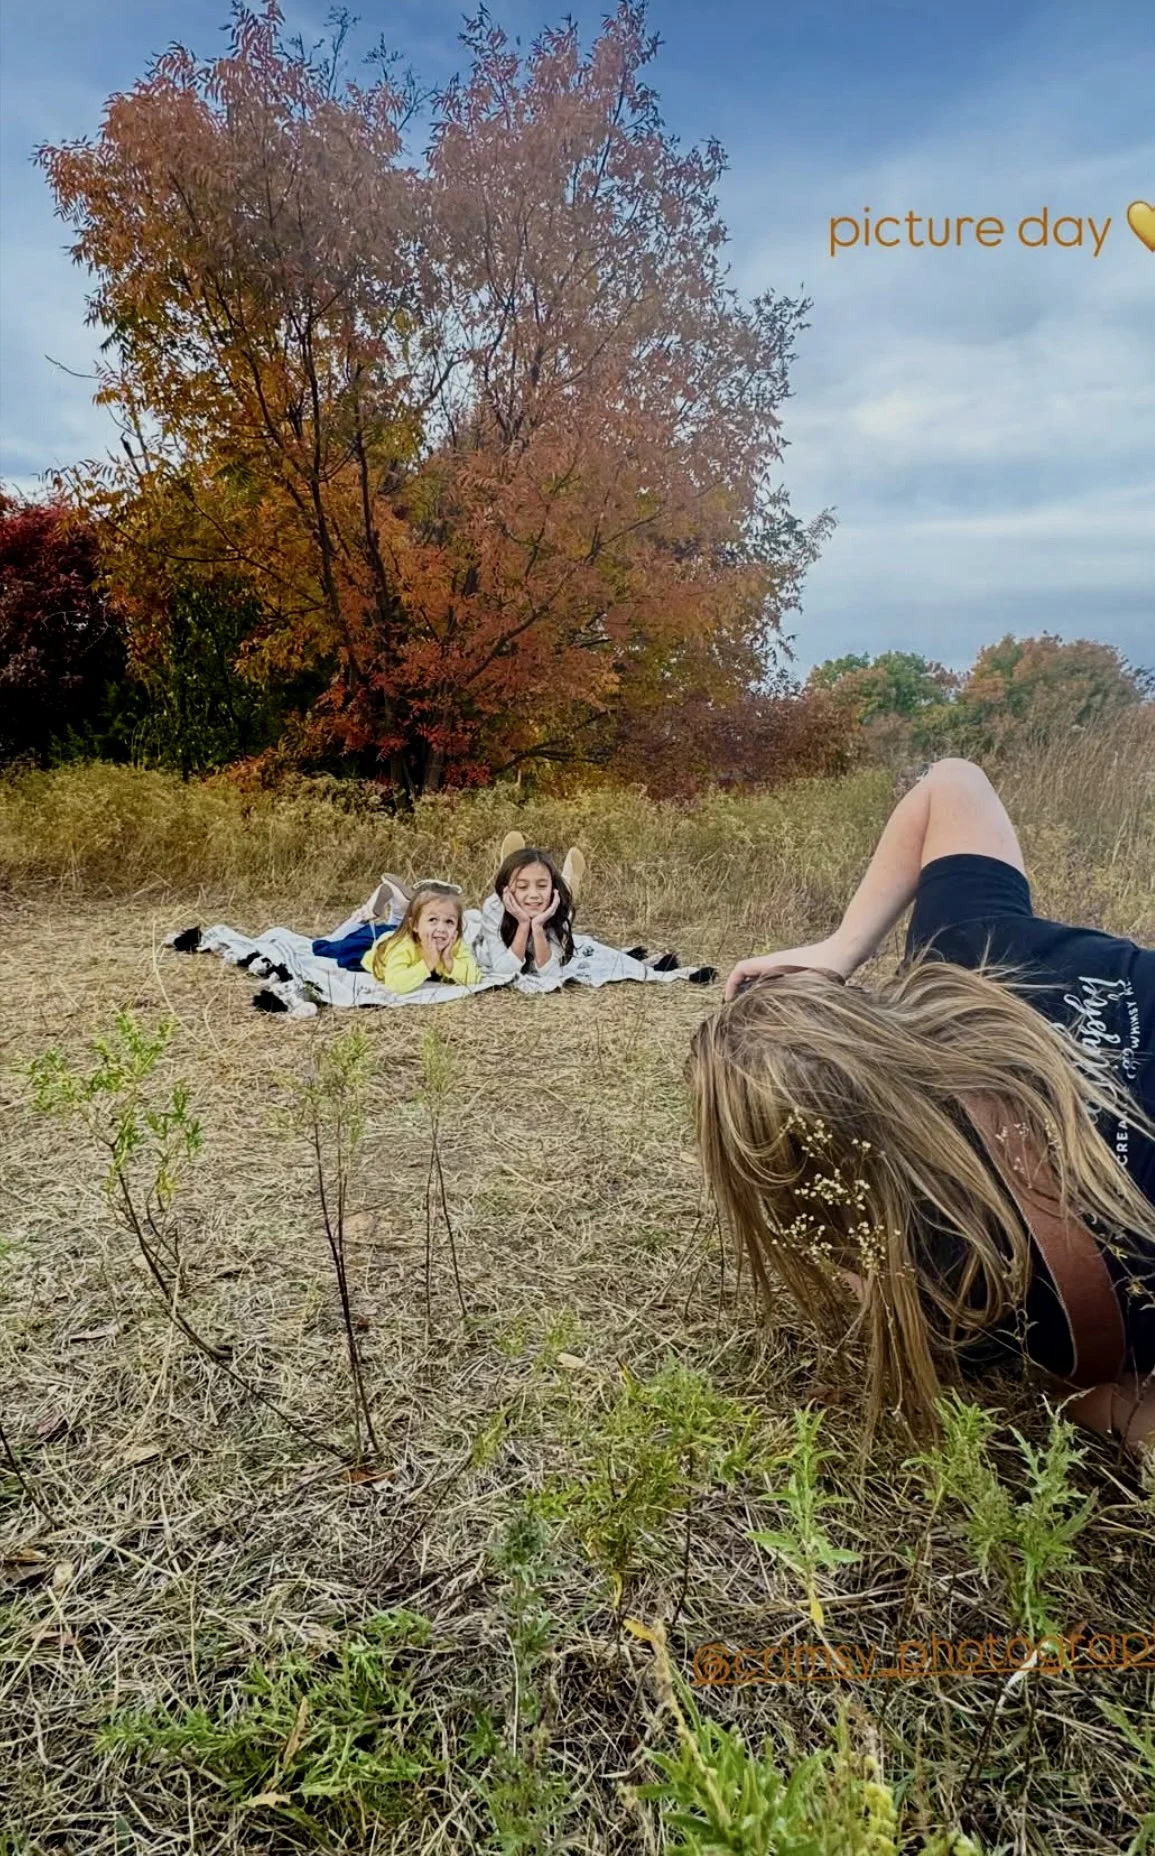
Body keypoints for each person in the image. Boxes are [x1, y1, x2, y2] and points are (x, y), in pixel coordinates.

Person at [689, 757, 1155, 1468]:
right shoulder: (970, 955)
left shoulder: (955, 1280)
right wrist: (839, 948)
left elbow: (1086, 1389)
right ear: (866, 1014)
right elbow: (952, 783)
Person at [362, 881, 484, 993]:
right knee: (343, 946)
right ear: (415, 925)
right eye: (433, 920)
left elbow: (475, 976)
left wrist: (448, 961)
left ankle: (397, 914)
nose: (441, 929)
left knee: (393, 926)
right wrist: (427, 963)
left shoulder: (455, 944)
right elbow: (394, 984)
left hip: (402, 933)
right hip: (375, 950)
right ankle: (360, 918)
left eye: (449, 922)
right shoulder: (403, 946)